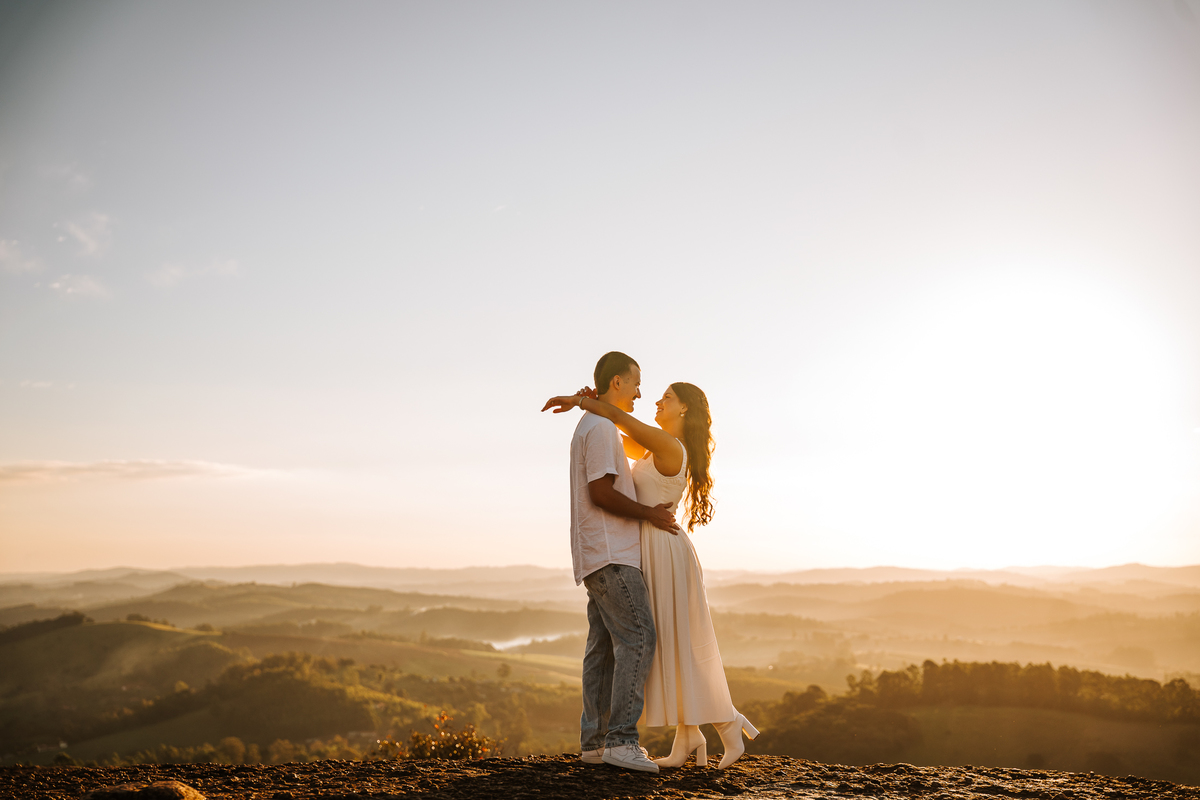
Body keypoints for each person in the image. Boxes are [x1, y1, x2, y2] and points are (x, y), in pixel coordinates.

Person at [543, 379, 759, 769]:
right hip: (649, 549)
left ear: (684, 410)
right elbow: (613, 431)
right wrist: (594, 407)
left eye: (667, 398)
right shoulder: (653, 447)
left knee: (677, 640)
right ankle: (689, 734)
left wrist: (582, 401)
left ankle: (727, 722)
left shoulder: (668, 446)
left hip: (664, 550)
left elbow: (616, 417)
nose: (657, 401)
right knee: (668, 645)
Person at [553, 351, 683, 773]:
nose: (641, 392)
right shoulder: (603, 428)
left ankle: (594, 742)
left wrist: (585, 402)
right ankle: (622, 740)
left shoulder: (591, 424)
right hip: (613, 554)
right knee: (639, 638)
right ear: (616, 383)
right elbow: (601, 493)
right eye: (636, 382)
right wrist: (651, 514)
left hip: (596, 553)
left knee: (603, 648)